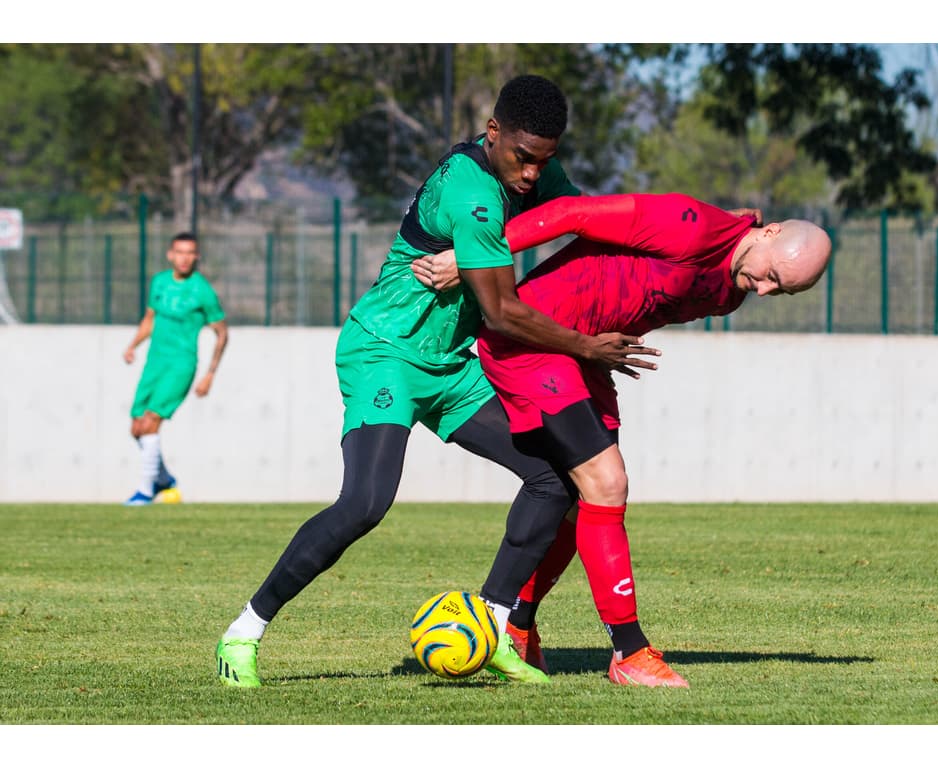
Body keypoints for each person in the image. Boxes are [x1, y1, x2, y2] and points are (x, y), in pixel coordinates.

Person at [214, 75, 659, 688]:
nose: (532, 175)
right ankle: (244, 631)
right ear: (493, 132)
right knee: (365, 504)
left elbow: (587, 218)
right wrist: (586, 346)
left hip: (453, 364)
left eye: (544, 161)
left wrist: (705, 244)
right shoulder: (471, 190)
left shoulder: (531, 176)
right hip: (386, 353)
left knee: (554, 479)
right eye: (522, 158)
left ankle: (495, 627)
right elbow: (502, 312)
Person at [414, 192, 832, 687]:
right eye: (772, 277)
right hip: (534, 338)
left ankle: (517, 626)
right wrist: (470, 262)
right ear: (771, 232)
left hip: (588, 356)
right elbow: (574, 213)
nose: (762, 292)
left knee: (579, 502)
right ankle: (629, 653)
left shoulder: (730, 287)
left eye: (779, 292)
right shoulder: (690, 223)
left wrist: (598, 350)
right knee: (607, 482)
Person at [123, 232, 228, 506]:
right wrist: (133, 344)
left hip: (181, 365)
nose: (185, 258)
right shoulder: (159, 281)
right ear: (170, 254)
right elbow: (150, 318)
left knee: (150, 423)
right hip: (154, 363)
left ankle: (145, 491)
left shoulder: (202, 290)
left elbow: (222, 333)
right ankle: (163, 479)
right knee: (136, 427)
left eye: (190, 253)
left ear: (197, 257)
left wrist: (210, 373)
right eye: (180, 252)